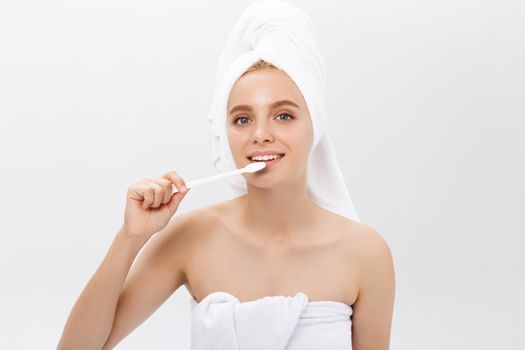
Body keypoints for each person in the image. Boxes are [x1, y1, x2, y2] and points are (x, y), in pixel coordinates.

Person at [58, 2, 395, 350]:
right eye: (243, 119)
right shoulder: (190, 238)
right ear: (225, 132)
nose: (260, 134)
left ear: (316, 126)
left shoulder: (366, 254)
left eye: (283, 116)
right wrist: (129, 238)